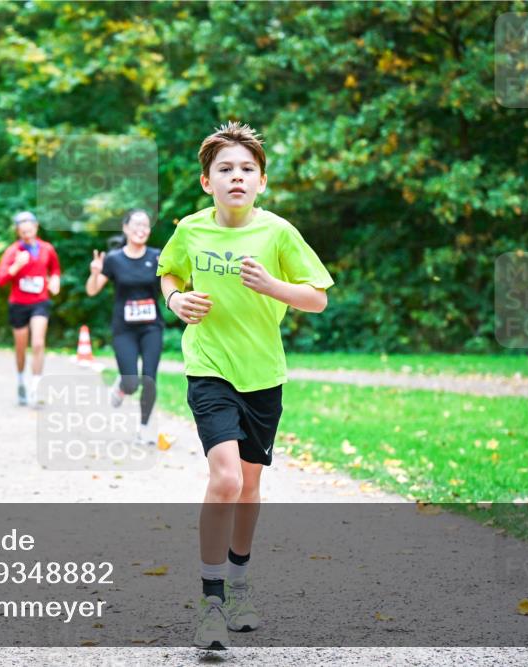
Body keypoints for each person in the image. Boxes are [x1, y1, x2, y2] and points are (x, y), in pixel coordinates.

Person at [156, 122, 333, 650]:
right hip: (209, 366)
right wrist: (175, 301)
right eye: (225, 169)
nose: (237, 176)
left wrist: (272, 285)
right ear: (207, 181)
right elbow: (169, 273)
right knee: (227, 479)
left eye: (247, 169)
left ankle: (238, 585)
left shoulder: (278, 232)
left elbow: (317, 297)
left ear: (262, 181)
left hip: (263, 376)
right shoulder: (190, 229)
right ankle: (210, 602)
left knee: (251, 487)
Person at [85, 209, 163, 445]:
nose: (142, 229)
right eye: (137, 225)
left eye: (146, 225)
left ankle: (144, 427)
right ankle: (121, 386)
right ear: (126, 228)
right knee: (131, 383)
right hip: (124, 329)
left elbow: (172, 285)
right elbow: (92, 290)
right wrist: (95, 273)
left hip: (151, 326)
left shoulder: (158, 256)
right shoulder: (114, 259)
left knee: (149, 378)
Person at [0, 211, 61, 406]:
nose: (27, 234)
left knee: (39, 343)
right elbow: (0, 280)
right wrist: (16, 266)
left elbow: (55, 269)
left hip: (40, 302)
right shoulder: (12, 251)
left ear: (36, 227)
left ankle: (37, 385)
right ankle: (20, 380)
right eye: (23, 231)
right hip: (18, 304)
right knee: (21, 348)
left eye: (30, 230)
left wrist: (55, 281)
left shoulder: (46, 249)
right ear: (17, 232)